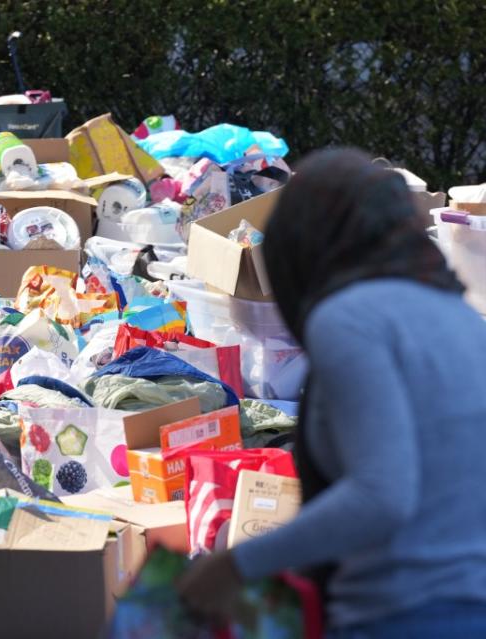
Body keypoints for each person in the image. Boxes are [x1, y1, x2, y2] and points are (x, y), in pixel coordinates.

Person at [176, 148, 486, 638]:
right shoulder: (465, 319)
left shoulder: (349, 318)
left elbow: (382, 496)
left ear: (304, 244)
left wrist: (235, 566)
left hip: (401, 614)